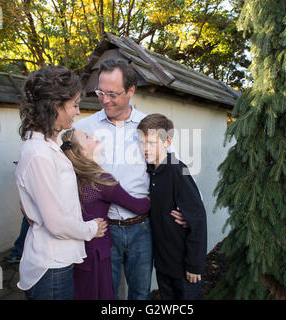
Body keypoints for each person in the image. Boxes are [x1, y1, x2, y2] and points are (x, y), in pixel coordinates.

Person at [74, 59, 187, 300]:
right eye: (100, 92)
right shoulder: (85, 127)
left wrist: (185, 208)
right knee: (106, 294)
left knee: (140, 293)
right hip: (102, 231)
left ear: (131, 91)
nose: (105, 100)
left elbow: (172, 169)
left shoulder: (150, 126)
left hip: (142, 229)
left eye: (113, 94)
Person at [15, 65, 107, 300]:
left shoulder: (48, 147)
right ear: (56, 106)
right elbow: (55, 223)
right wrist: (91, 229)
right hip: (51, 267)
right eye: (74, 104)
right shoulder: (39, 153)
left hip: (59, 260)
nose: (78, 111)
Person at [60, 128, 150, 299]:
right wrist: (150, 197)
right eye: (87, 136)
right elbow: (139, 207)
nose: (94, 136)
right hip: (96, 254)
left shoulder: (70, 177)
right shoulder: (100, 181)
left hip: (77, 251)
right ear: (82, 151)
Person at [137, 113, 207, 300]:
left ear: (167, 141)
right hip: (163, 265)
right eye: (142, 143)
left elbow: (198, 219)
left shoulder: (177, 169)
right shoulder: (151, 171)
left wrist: (194, 265)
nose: (145, 148)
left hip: (184, 268)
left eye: (151, 143)